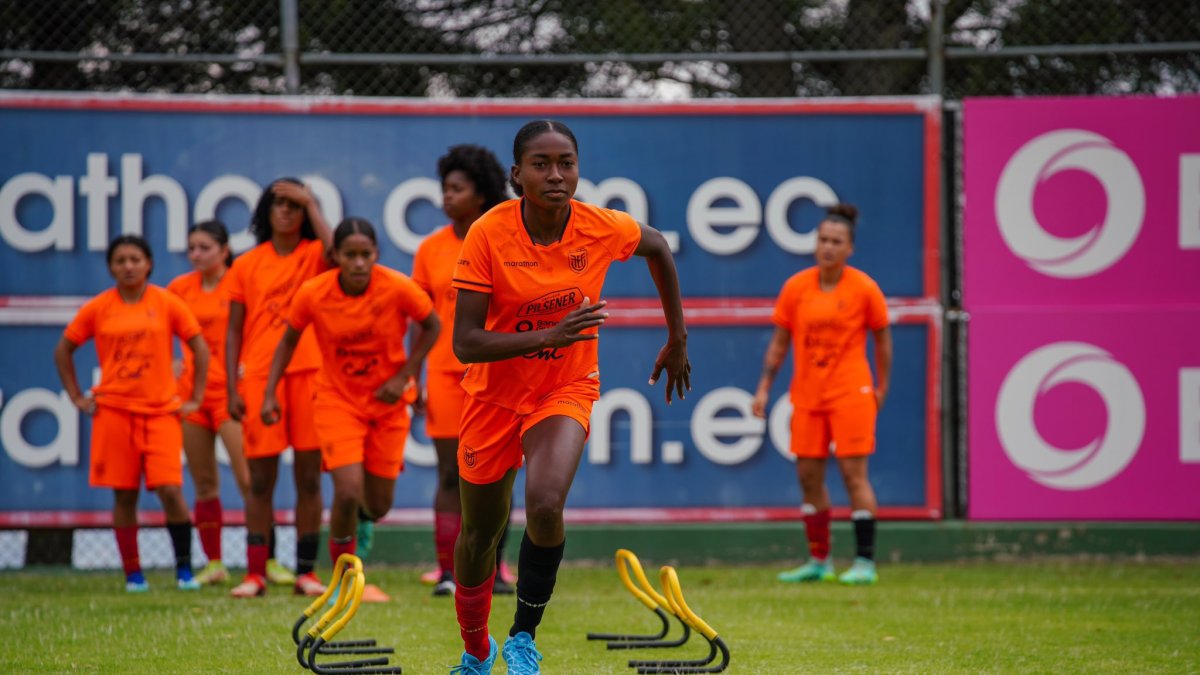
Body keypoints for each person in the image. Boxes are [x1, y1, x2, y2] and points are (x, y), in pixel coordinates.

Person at [449, 120, 690, 675]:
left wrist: (677, 337)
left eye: (567, 163)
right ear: (518, 174)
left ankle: (522, 638)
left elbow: (657, 246)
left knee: (545, 505)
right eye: (542, 164)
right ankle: (476, 648)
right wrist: (548, 335)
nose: (556, 175)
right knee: (479, 533)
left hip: (565, 386)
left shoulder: (599, 226)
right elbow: (466, 343)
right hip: (492, 396)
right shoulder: (488, 233)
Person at [263, 217, 441, 603]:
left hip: (387, 404)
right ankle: (343, 579)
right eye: (350, 255)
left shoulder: (397, 287)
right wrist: (269, 393)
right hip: (337, 401)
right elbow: (287, 341)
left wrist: (406, 376)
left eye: (365, 254)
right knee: (346, 492)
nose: (359, 263)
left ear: (375, 254)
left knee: (377, 504)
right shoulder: (314, 293)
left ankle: (360, 525)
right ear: (336, 256)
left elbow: (433, 325)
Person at [53, 235, 208, 592]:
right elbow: (63, 350)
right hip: (114, 412)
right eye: (120, 260)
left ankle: (184, 571)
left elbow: (199, 347)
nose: (128, 266)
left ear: (148, 264)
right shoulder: (98, 308)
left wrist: (195, 397)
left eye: (135, 259)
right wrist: (77, 397)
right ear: (110, 267)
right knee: (124, 495)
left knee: (171, 491)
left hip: (160, 412)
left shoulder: (166, 302)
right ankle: (133, 575)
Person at [751, 203, 892, 586]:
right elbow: (779, 343)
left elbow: (883, 341)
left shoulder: (864, 288)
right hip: (808, 395)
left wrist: (881, 387)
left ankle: (864, 562)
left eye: (836, 241)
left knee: (853, 475)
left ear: (850, 248)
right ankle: (819, 560)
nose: (828, 247)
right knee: (808, 477)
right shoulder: (796, 287)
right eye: (823, 240)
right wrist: (763, 388)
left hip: (851, 392)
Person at [412, 144, 516, 598]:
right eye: (445, 188)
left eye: (457, 188)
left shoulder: (503, 238)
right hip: (444, 374)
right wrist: (412, 376)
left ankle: (495, 568)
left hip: (496, 375)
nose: (447, 197)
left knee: (497, 474)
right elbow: (421, 320)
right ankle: (447, 572)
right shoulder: (430, 248)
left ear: (482, 193)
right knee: (450, 474)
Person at [225, 178, 333, 598]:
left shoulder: (315, 254)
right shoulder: (246, 264)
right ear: (265, 212)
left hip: (309, 373)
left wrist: (313, 203)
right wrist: (232, 384)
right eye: (279, 203)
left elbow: (337, 253)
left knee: (309, 479)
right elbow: (234, 330)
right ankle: (255, 573)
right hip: (258, 378)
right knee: (259, 480)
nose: (287, 211)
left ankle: (306, 572)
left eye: (295, 205)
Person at [166, 220, 251, 585]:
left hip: (230, 394)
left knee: (249, 480)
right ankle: (214, 562)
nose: (196, 255)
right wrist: (169, 365)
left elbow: (258, 328)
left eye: (204, 248)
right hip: (191, 397)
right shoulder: (179, 289)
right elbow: (158, 331)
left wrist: (248, 366)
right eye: (192, 248)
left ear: (224, 250)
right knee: (203, 483)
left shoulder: (239, 283)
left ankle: (264, 560)